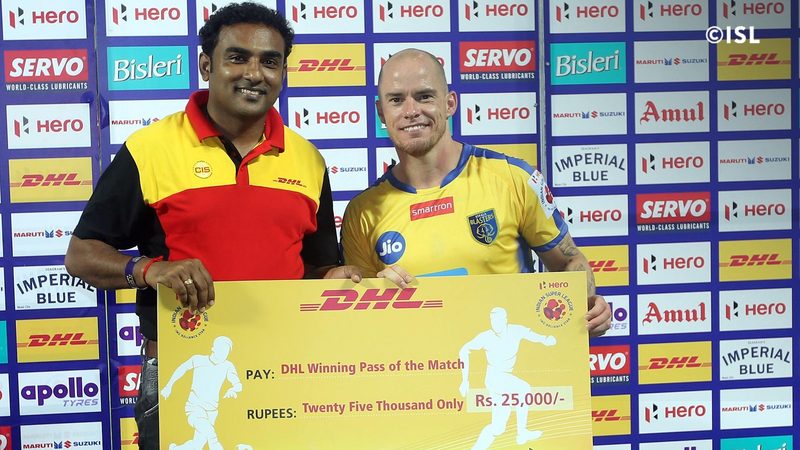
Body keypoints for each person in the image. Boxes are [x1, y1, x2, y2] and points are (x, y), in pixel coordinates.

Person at [64, 3, 360, 448]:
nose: (254, 73)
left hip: (284, 369)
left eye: (270, 61)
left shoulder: (309, 160)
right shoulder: (150, 149)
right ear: (207, 65)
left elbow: (317, 267)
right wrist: (148, 270)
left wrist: (334, 278)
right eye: (237, 57)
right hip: (182, 365)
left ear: (283, 73)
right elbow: (81, 254)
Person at [340, 48, 611, 337]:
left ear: (450, 103)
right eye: (396, 100)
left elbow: (569, 260)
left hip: (511, 359)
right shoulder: (362, 212)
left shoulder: (513, 178)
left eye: (424, 96)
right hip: (418, 362)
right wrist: (376, 294)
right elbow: (359, 322)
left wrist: (587, 305)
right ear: (381, 111)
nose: (411, 111)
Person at [459, 307, 556, 449]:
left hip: (505, 378)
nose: (495, 324)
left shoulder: (516, 331)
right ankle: (522, 433)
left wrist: (545, 339)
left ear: (505, 320)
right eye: (492, 320)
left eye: (498, 320)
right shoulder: (485, 337)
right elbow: (464, 350)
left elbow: (531, 335)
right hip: (494, 378)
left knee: (497, 428)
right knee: (524, 388)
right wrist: (464, 380)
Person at [161, 336, 241, 450]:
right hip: (195, 407)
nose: (224, 353)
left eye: (227, 351)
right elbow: (182, 369)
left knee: (197, 446)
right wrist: (169, 386)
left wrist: (233, 389)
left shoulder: (228, 366)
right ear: (213, 348)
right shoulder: (198, 359)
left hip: (212, 411)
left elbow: (238, 384)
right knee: (212, 436)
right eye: (222, 349)